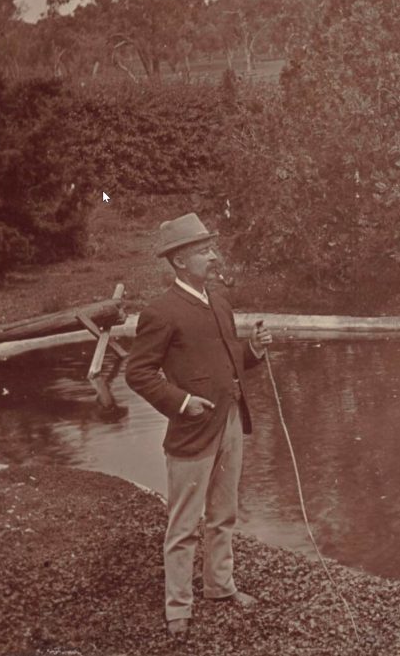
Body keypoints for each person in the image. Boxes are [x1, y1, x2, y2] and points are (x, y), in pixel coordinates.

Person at [125, 212, 273, 638]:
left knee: (223, 514)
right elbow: (139, 373)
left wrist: (255, 351)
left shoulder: (220, 303)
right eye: (203, 251)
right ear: (179, 262)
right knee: (184, 523)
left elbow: (229, 362)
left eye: (210, 248)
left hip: (229, 422)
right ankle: (177, 608)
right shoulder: (161, 312)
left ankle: (220, 587)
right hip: (192, 432)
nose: (213, 256)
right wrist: (182, 401)